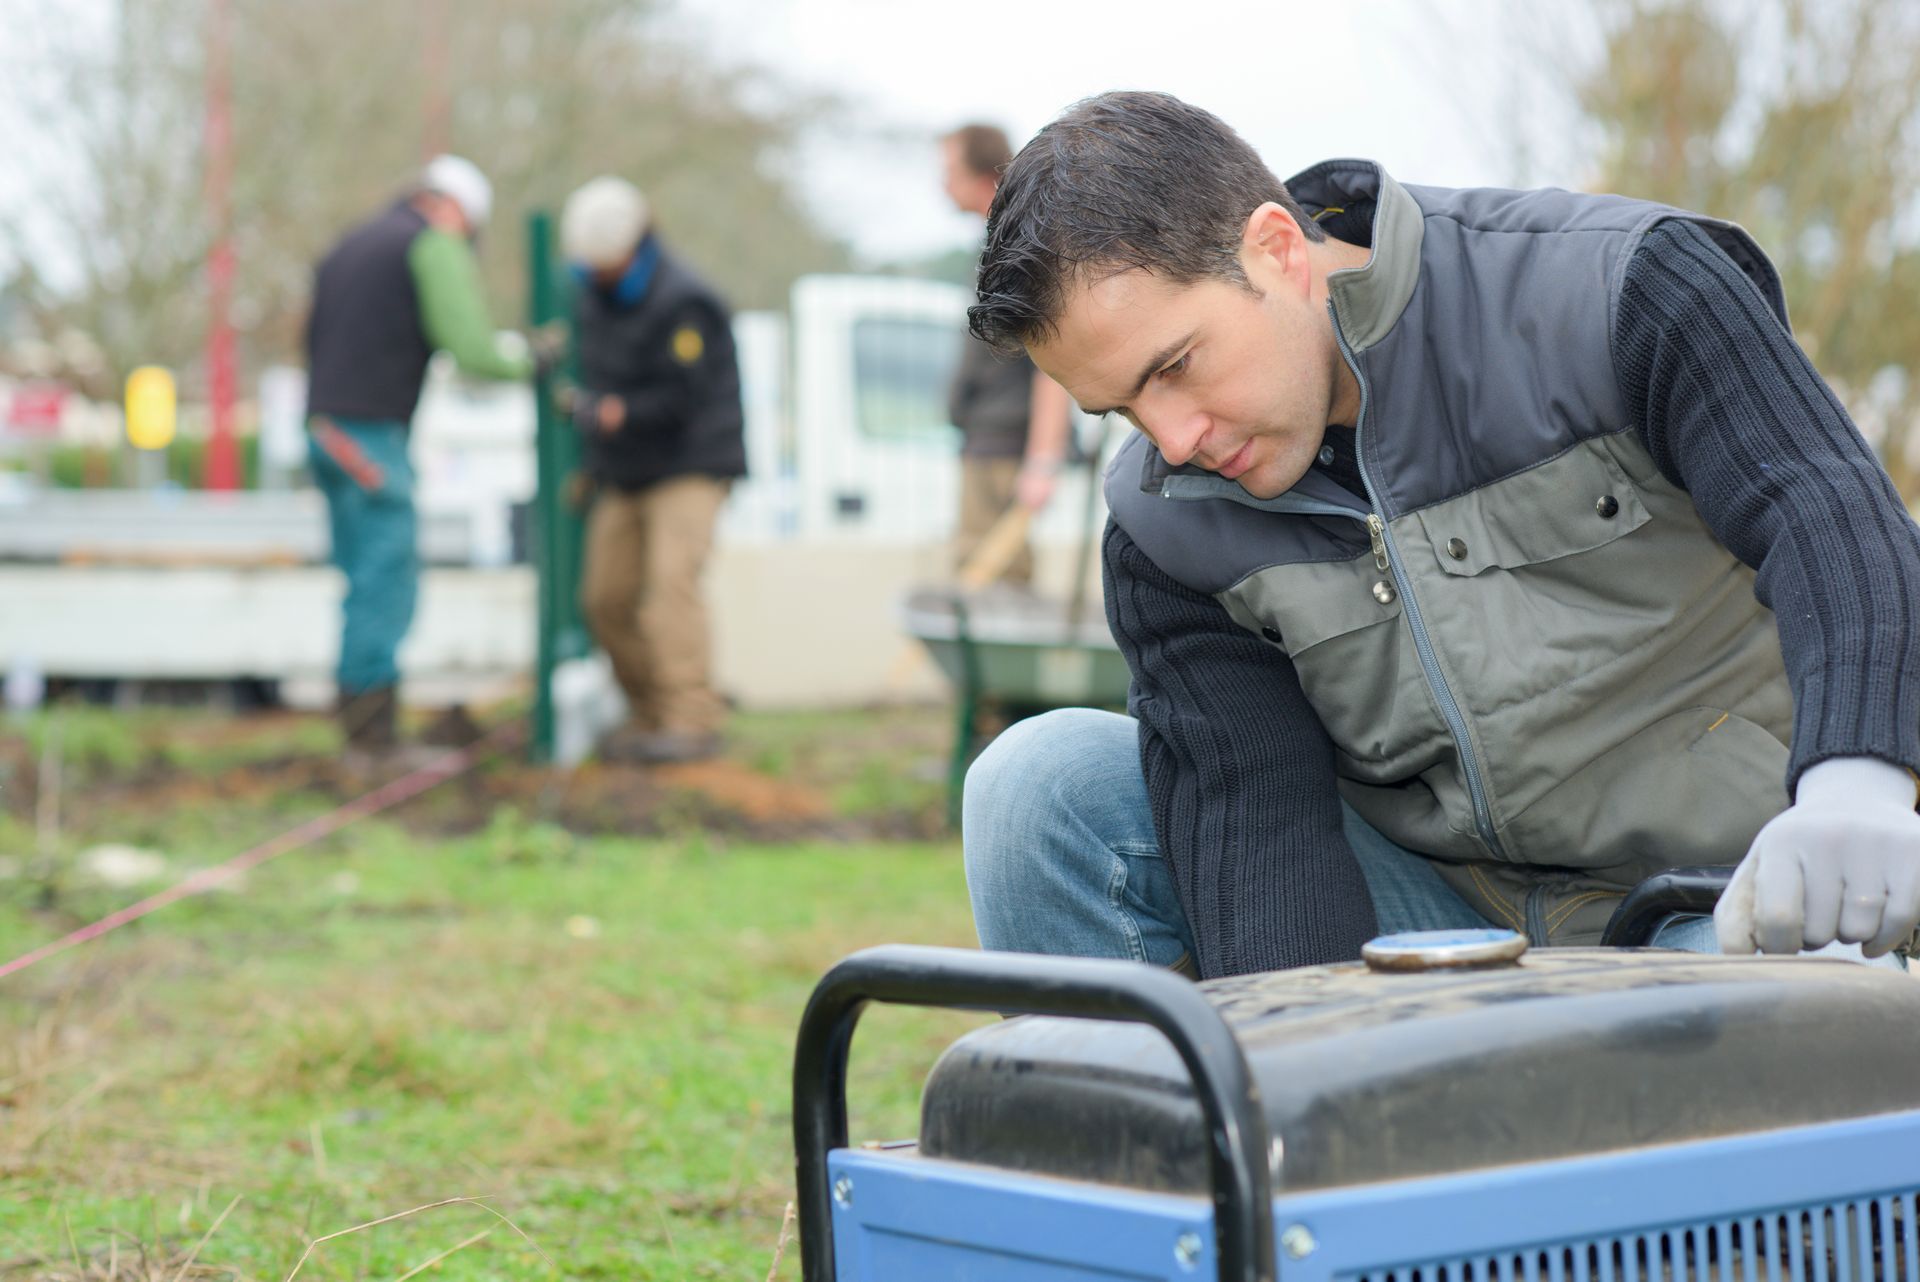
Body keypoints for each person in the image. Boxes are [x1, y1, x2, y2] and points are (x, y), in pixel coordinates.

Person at [960, 91, 1920, 978]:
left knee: (1837, 991)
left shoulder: (1622, 291)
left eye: (1174, 366)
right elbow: (1256, 836)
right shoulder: (1162, 523)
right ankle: (1210, 1160)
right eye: (1121, 408)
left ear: (1277, 251)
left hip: (1720, 899)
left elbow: (1830, 514)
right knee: (1036, 788)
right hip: (1436, 928)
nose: (1173, 441)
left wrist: (1857, 785)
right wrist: (1306, 1078)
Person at [305, 155, 534, 761]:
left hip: (326, 427)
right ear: (457, 211)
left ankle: (362, 729)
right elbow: (471, 348)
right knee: (386, 578)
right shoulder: (430, 244)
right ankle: (373, 740)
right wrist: (531, 360)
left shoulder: (352, 244)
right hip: (368, 435)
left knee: (361, 578)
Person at [562, 176, 745, 764]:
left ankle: (692, 721)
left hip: (691, 462)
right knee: (604, 598)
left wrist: (621, 412)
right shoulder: (590, 295)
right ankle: (649, 715)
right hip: (624, 470)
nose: (600, 277)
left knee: (670, 588)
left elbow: (687, 398)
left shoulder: (686, 301)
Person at [941, 123, 1074, 585]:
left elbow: (1051, 361)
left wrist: (1042, 461)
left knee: (996, 584)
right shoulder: (994, 246)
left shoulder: (1022, 248)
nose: (941, 183)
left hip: (1007, 451)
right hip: (985, 442)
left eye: (949, 169)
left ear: (982, 179)